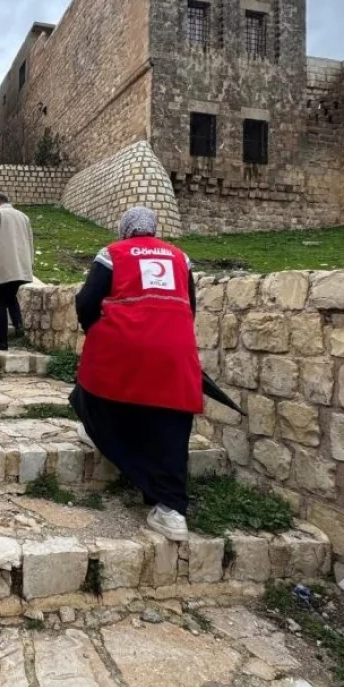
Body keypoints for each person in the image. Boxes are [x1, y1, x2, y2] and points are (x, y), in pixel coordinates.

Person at [69, 207, 203, 542]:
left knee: (92, 398)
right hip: (175, 349)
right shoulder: (180, 258)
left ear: (124, 229)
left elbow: (86, 301)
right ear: (154, 230)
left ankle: (108, 444)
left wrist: (94, 330)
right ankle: (172, 509)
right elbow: (191, 305)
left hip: (124, 345)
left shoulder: (112, 254)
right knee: (171, 420)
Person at [0, 193, 34, 350]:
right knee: (11, 296)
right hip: (21, 266)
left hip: (3, 265)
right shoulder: (24, 217)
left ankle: (1, 341)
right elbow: (30, 242)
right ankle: (18, 325)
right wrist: (29, 264)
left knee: (0, 300)